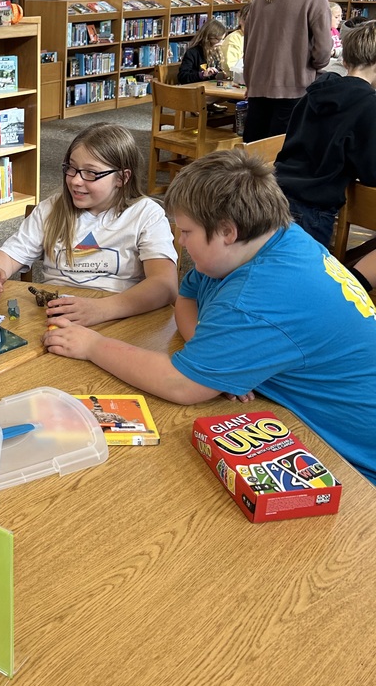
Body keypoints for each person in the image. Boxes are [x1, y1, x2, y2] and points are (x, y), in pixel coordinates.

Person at [44, 148, 376, 485]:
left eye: (186, 232)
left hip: (353, 464)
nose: (181, 243)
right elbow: (188, 293)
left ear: (227, 232)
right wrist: (216, 354)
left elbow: (181, 384)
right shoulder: (274, 236)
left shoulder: (254, 299)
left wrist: (93, 346)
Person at [0, 122, 178, 325]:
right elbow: (8, 257)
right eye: (71, 168)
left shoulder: (146, 214)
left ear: (122, 178)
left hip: (120, 318)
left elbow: (165, 285)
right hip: (56, 318)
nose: (75, 180)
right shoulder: (51, 210)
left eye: (91, 173)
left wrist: (102, 309)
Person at [274, 19, 376, 248]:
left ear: (346, 59)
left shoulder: (316, 91)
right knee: (302, 276)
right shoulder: (368, 104)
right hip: (312, 209)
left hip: (275, 192)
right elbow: (371, 173)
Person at [242, 0, 332, 142]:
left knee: (252, 154)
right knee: (281, 158)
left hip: (258, 86)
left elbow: (248, 44)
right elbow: (323, 49)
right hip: (293, 88)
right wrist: (318, 64)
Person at [177, 19, 227, 84]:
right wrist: (202, 75)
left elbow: (213, 76)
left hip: (209, 89)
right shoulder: (192, 53)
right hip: (194, 90)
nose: (221, 43)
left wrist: (220, 75)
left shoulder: (216, 53)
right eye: (218, 40)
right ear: (208, 38)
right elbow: (182, 77)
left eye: (222, 40)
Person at [220, 3, 250, 77]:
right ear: (240, 20)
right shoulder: (234, 38)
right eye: (247, 20)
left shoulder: (260, 37)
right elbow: (230, 68)